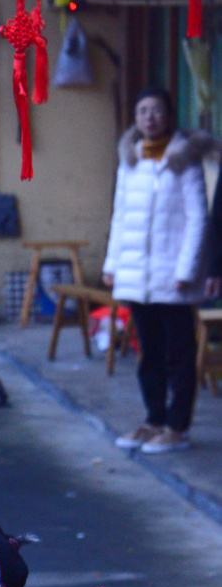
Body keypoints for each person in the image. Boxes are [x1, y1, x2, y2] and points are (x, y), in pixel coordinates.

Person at [104, 87, 212, 456]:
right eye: (142, 111)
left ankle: (177, 427)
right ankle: (153, 420)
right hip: (137, 276)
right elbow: (120, 217)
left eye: (156, 111)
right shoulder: (130, 161)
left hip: (172, 277)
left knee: (178, 354)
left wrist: (187, 270)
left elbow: (198, 219)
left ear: (169, 116)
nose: (149, 117)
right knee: (148, 351)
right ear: (135, 118)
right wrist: (112, 265)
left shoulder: (184, 160)